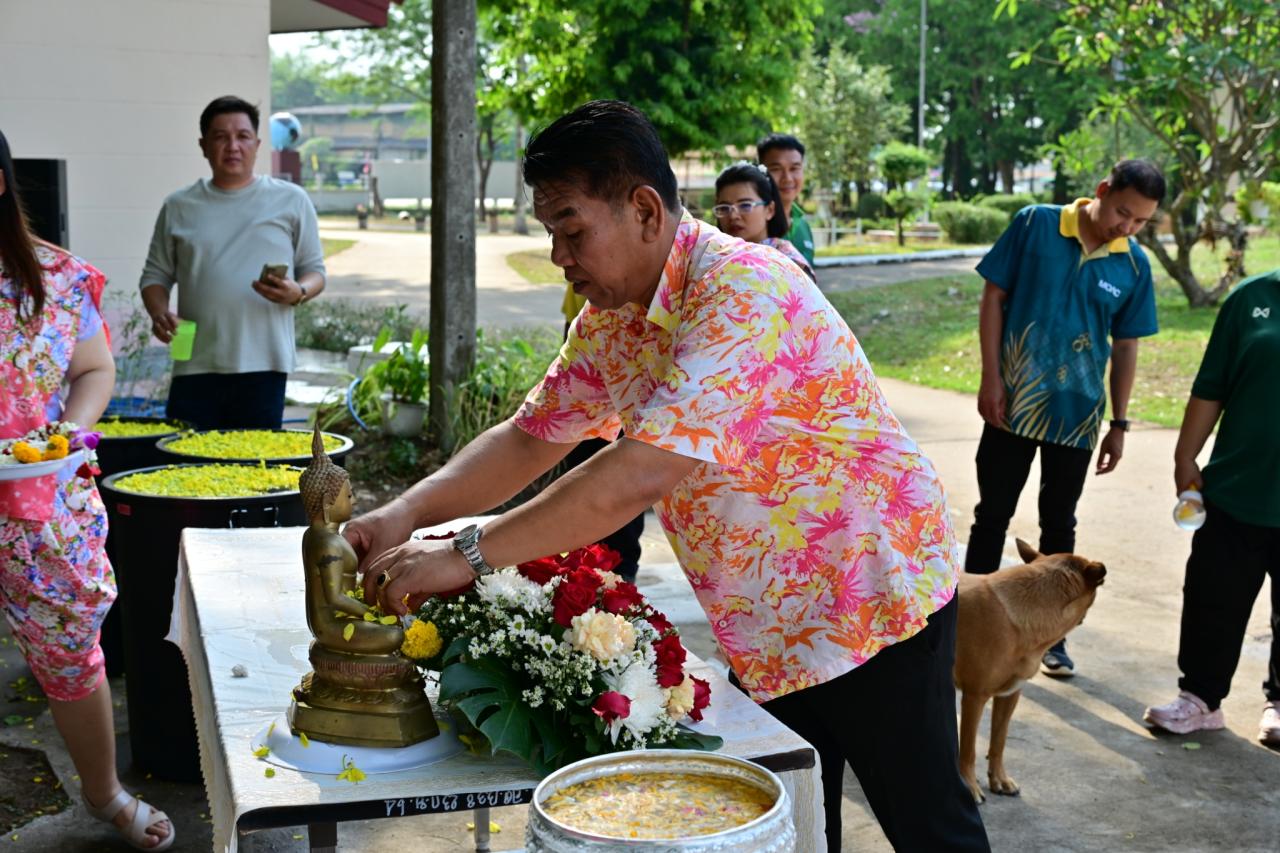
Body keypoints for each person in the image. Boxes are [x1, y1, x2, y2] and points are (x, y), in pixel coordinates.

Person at [345, 100, 988, 852]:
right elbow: (530, 437)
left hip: (868, 596)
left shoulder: (743, 288)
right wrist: (405, 513)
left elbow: (638, 473)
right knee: (793, 827)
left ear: (646, 209)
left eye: (572, 230)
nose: (558, 256)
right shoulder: (612, 318)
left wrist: (467, 553)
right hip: (767, 619)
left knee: (928, 825)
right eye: (550, 233)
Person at [0, 130, 174, 850]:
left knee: (71, 650)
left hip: (43, 507)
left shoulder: (56, 277)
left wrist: (67, 432)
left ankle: (105, 795)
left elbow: (95, 369)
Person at [965, 160, 1165, 677]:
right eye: (1122, 212)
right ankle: (963, 622)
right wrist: (991, 377)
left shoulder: (1133, 265)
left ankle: (1052, 635)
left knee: (1059, 524)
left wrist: (1120, 423)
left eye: (1140, 221)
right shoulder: (1035, 223)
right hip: (1012, 403)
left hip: (1077, 417)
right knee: (992, 515)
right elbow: (994, 296)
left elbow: (1126, 346)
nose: (1127, 226)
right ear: (1102, 191)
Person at [1143, 268, 1280, 745]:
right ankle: (1200, 700)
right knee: (1213, 596)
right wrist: (1185, 456)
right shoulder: (1251, 297)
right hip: (1236, 488)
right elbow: (1213, 383)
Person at [139, 95, 326, 430]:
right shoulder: (179, 206)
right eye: (220, 137)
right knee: (184, 458)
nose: (233, 146)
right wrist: (159, 312)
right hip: (193, 363)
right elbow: (155, 275)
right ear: (203, 146)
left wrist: (297, 292)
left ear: (257, 144)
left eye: (242, 136)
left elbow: (315, 272)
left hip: (265, 362)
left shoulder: (291, 200)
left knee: (256, 459)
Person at [712, 162, 815, 281]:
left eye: (745, 205)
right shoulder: (711, 260)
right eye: (724, 208)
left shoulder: (788, 261)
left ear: (769, 210)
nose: (733, 215)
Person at [757, 133, 815, 267]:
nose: (787, 178)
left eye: (794, 168)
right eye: (776, 169)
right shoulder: (754, 225)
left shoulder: (803, 225)